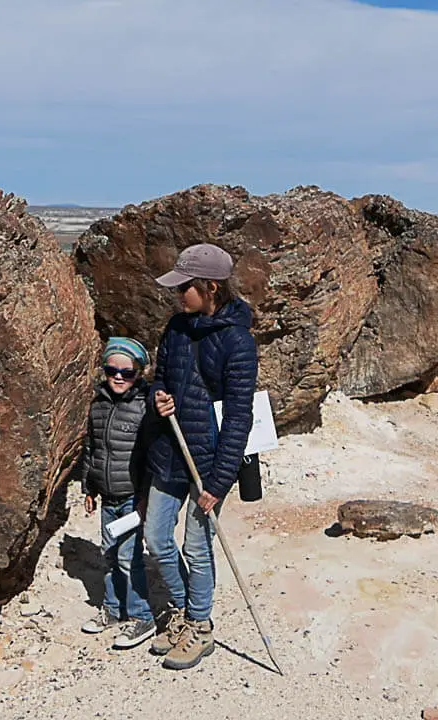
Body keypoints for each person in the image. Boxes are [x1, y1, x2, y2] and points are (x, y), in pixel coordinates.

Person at [143, 243, 258, 670]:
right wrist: (159, 399)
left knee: (196, 545)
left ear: (211, 287)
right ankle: (180, 610)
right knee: (156, 538)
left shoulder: (238, 342)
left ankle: (200, 625)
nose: (178, 296)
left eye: (185, 288)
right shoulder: (175, 328)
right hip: (170, 451)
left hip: (208, 461)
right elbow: (162, 380)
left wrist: (218, 481)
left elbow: (239, 418)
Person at [78, 336, 158, 649]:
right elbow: (92, 448)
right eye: (112, 370)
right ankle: (113, 609)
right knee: (109, 555)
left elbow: (152, 457)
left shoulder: (144, 407)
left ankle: (142, 616)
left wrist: (145, 496)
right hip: (108, 496)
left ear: (139, 373)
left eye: (127, 372)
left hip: (131, 496)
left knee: (129, 558)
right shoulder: (98, 405)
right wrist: (89, 486)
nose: (119, 377)